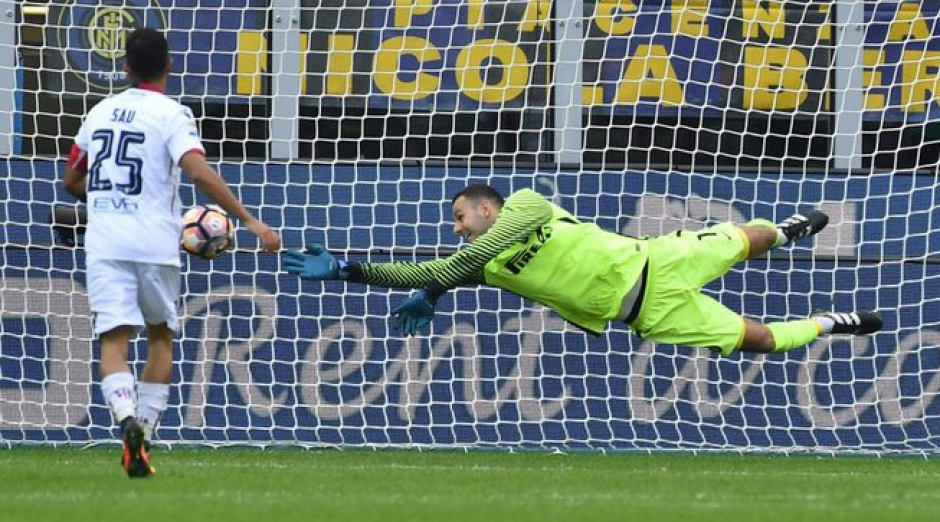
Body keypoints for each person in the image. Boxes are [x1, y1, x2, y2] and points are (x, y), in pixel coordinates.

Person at [282, 184, 881, 355]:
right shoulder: (491, 267)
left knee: (748, 239)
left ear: (487, 208)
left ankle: (789, 229)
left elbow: (454, 264)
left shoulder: (526, 205)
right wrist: (352, 273)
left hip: (657, 259)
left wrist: (431, 282)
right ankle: (828, 323)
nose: (458, 226)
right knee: (762, 341)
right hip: (649, 311)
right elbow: (442, 271)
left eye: (462, 216)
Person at [63, 28, 281, 478]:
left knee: (114, 340)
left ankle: (125, 417)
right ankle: (143, 433)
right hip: (155, 243)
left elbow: (72, 179)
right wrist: (249, 220)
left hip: (105, 242)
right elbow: (197, 171)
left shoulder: (98, 112)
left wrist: (107, 198)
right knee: (160, 336)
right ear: (170, 64)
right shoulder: (172, 113)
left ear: (125, 67)